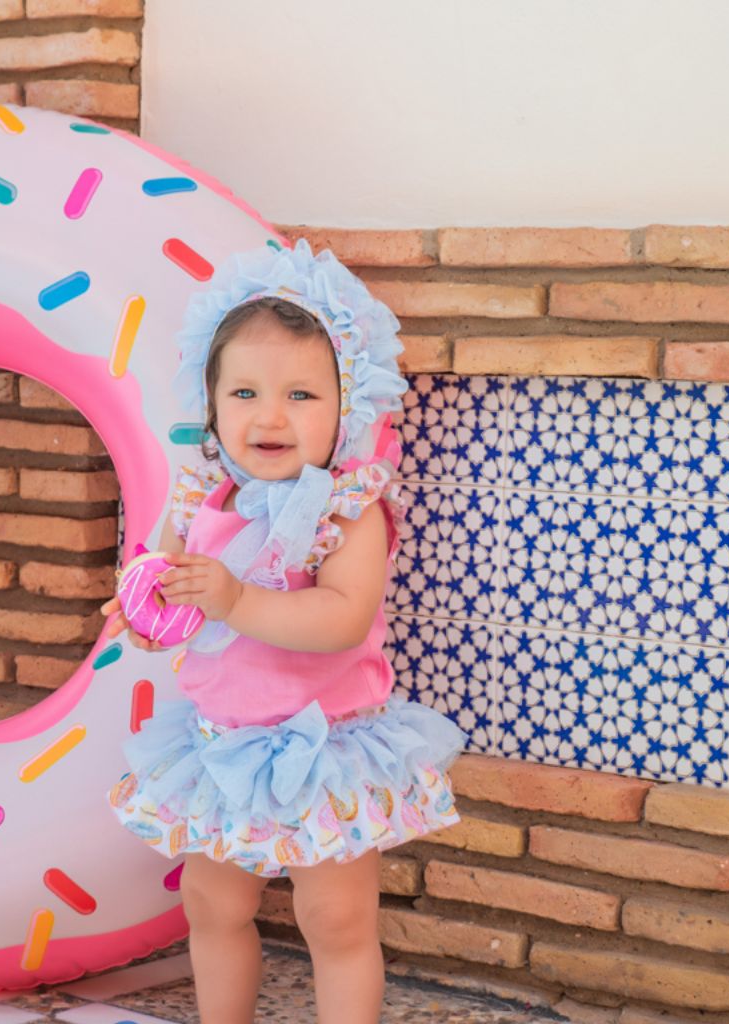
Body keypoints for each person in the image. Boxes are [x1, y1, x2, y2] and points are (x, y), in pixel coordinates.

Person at [102, 239, 468, 1024]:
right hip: (219, 743)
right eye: (244, 393)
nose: (269, 416)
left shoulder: (349, 511)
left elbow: (341, 619)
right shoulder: (204, 498)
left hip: (323, 745)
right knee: (211, 902)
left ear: (347, 408)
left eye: (302, 395)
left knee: (335, 918)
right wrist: (143, 613)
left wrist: (236, 599)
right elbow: (167, 592)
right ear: (211, 405)